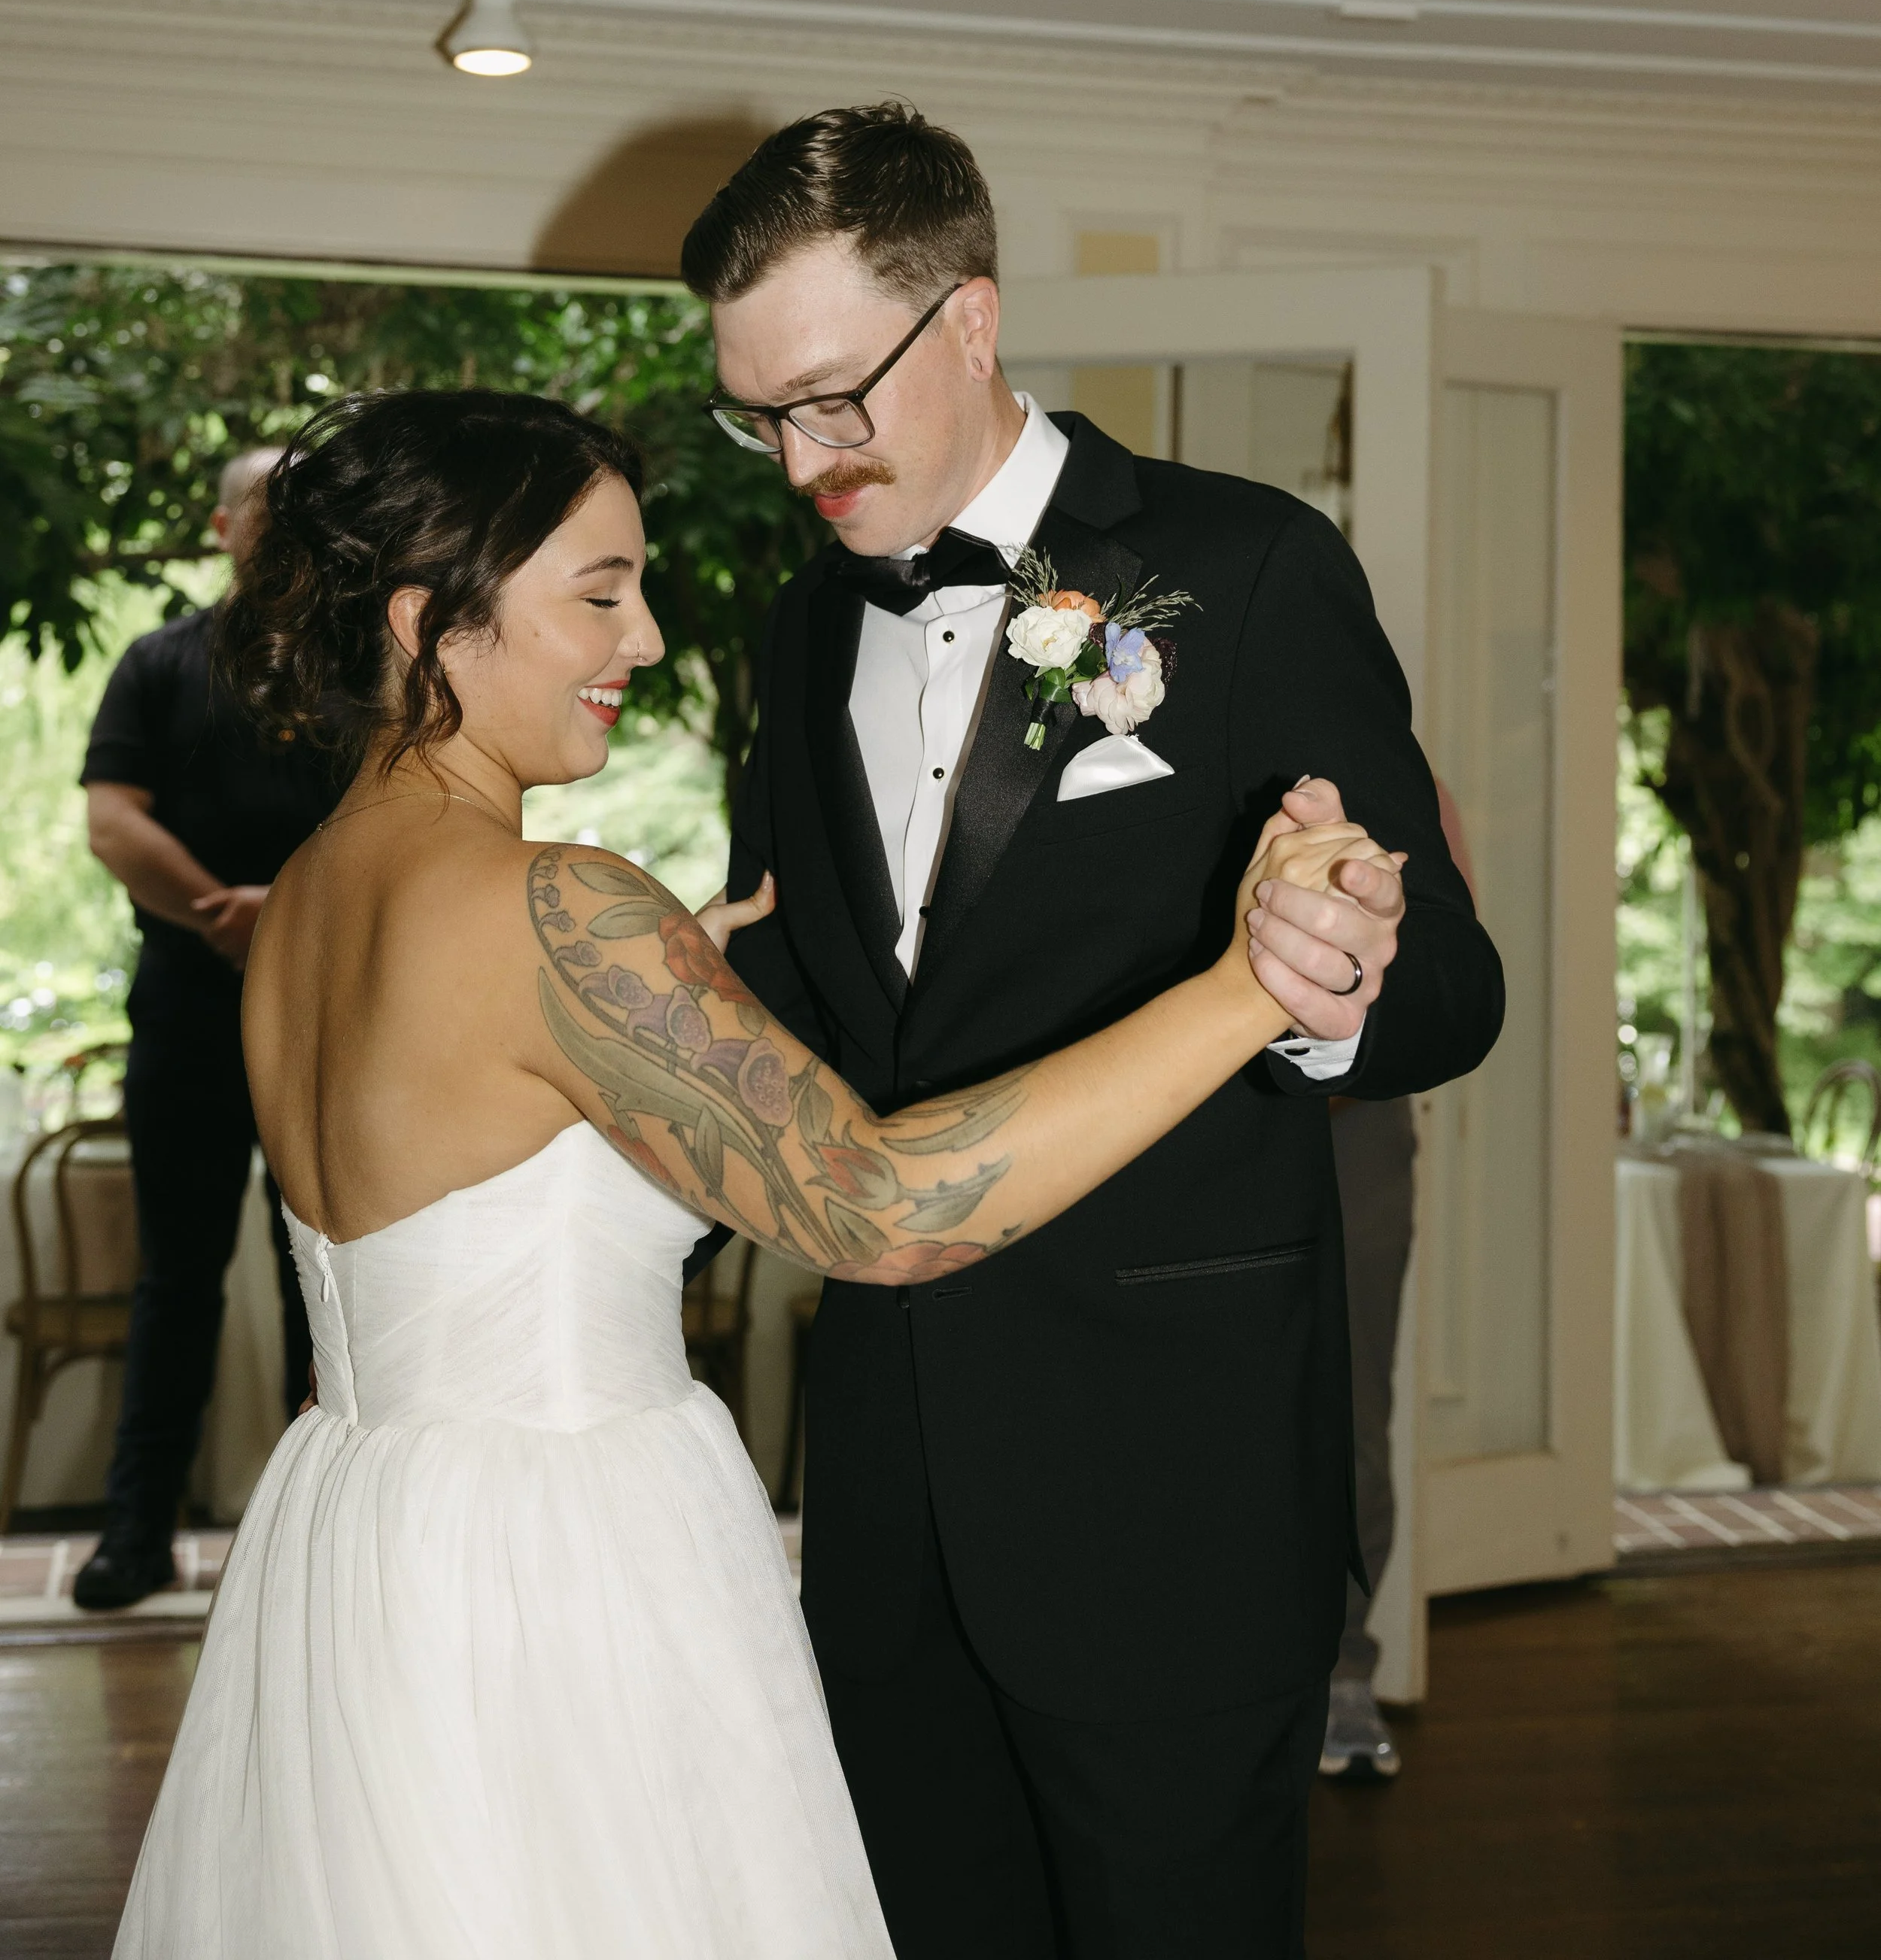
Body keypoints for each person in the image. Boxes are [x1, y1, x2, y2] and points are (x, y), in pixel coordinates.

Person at [113, 386, 1392, 1959]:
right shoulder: (554, 909)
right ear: (430, 623)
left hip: (365, 1540)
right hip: (565, 1556)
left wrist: (672, 1004)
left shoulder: (304, 898)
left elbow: (481, 1138)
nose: (641, 641)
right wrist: (1244, 988)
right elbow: (879, 1208)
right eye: (597, 593)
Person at [683, 102, 1506, 1959]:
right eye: (757, 415)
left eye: (832, 397)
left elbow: (1452, 990)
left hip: (1170, 1497)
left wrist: (1327, 976)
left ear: (967, 320)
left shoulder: (1246, 568)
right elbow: (834, 1009)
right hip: (893, 1498)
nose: (800, 459)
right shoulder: (810, 626)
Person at [75, 446, 341, 1612]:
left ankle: (315, 1542)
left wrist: (284, 909)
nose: (283, 533)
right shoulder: (157, 664)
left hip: (330, 1015)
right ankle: (136, 1538)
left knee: (317, 1280)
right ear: (225, 526)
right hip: (185, 1017)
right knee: (175, 1278)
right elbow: (110, 821)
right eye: (267, 513)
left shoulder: (358, 666)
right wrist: (216, 913)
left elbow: (414, 823)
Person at [1320, 778, 1478, 1784]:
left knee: (1351, 1410)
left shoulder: (1406, 785)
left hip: (1354, 1130)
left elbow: (1451, 977)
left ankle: (1344, 1672)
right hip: (1179, 1122)